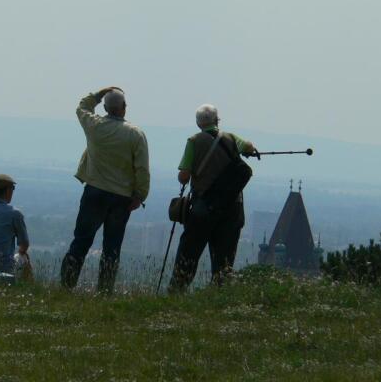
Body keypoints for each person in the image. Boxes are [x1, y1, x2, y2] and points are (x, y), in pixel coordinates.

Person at [61, 87, 150, 294]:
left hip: (94, 192)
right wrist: (140, 195)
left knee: (81, 240)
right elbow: (142, 169)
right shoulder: (135, 134)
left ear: (106, 108)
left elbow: (82, 107)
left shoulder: (95, 126)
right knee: (112, 248)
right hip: (121, 198)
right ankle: (104, 291)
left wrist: (100, 93)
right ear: (124, 108)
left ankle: (66, 285)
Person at [168, 104, 258, 293]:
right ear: (217, 120)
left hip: (203, 208)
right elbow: (249, 146)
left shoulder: (194, 141)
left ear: (198, 123)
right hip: (232, 209)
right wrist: (248, 150)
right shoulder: (231, 138)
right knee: (224, 261)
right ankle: (219, 295)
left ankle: (176, 291)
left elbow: (184, 175)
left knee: (189, 253)